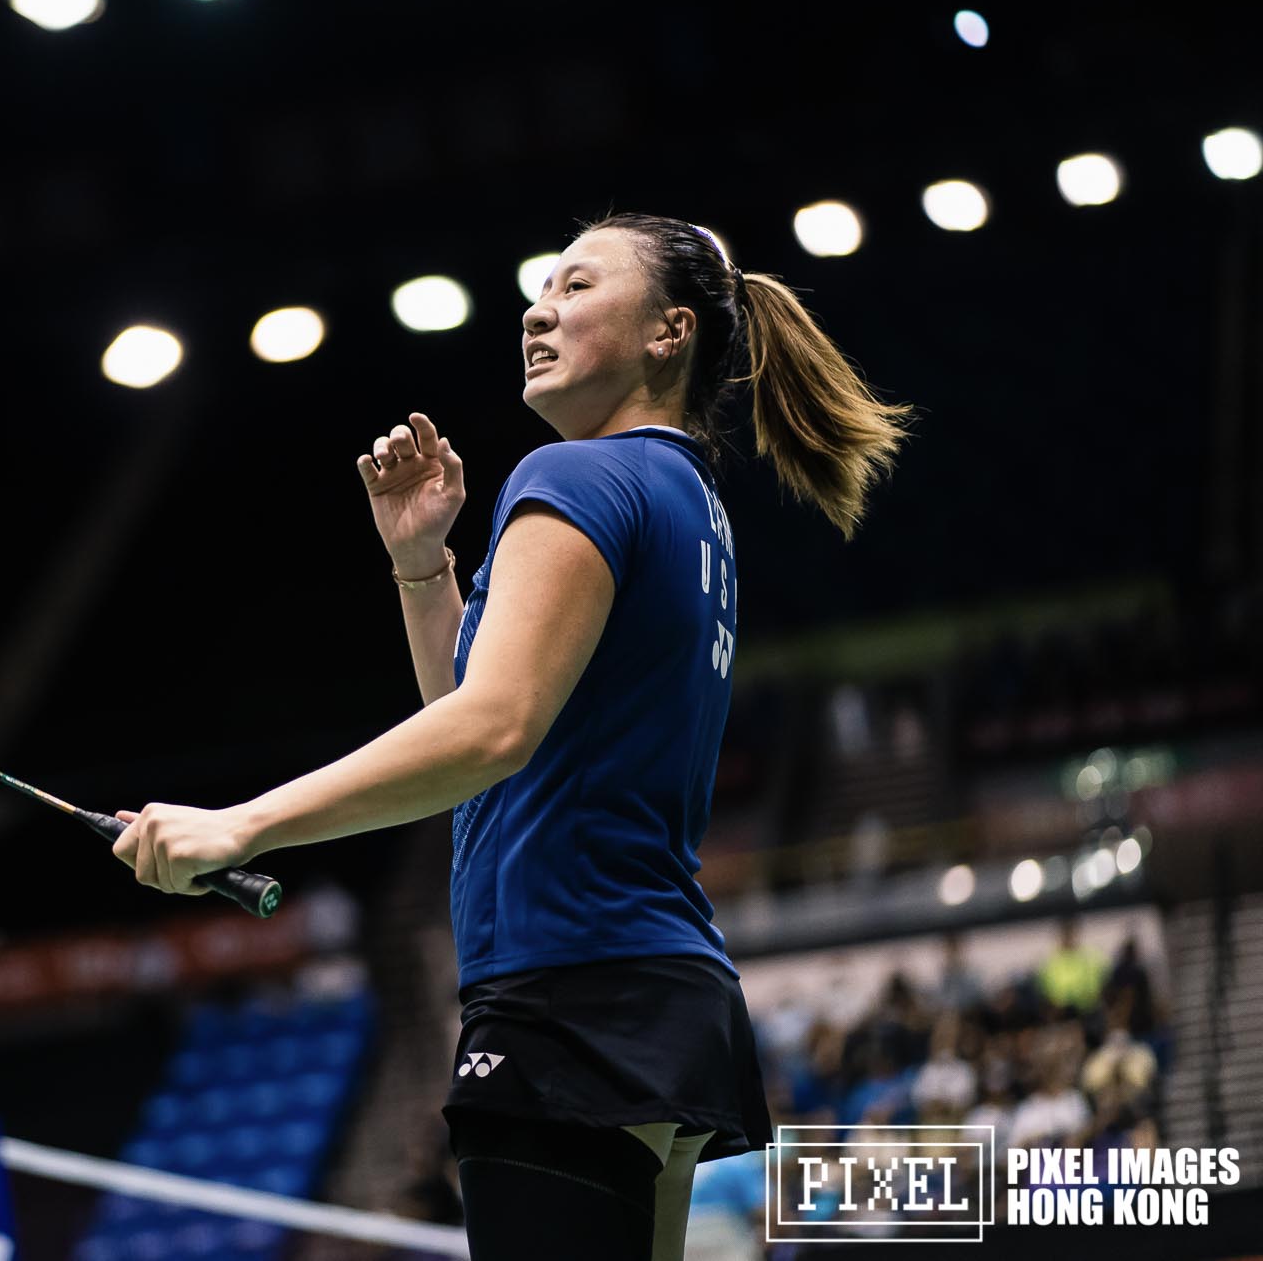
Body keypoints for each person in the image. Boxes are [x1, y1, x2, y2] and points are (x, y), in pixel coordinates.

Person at [111, 213, 909, 1259]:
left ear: (667, 332)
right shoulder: (684, 500)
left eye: (578, 287)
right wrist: (422, 568)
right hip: (651, 991)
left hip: (568, 987)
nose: (537, 310)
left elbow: (489, 729)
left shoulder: (572, 476)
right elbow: (484, 730)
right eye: (542, 288)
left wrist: (241, 825)